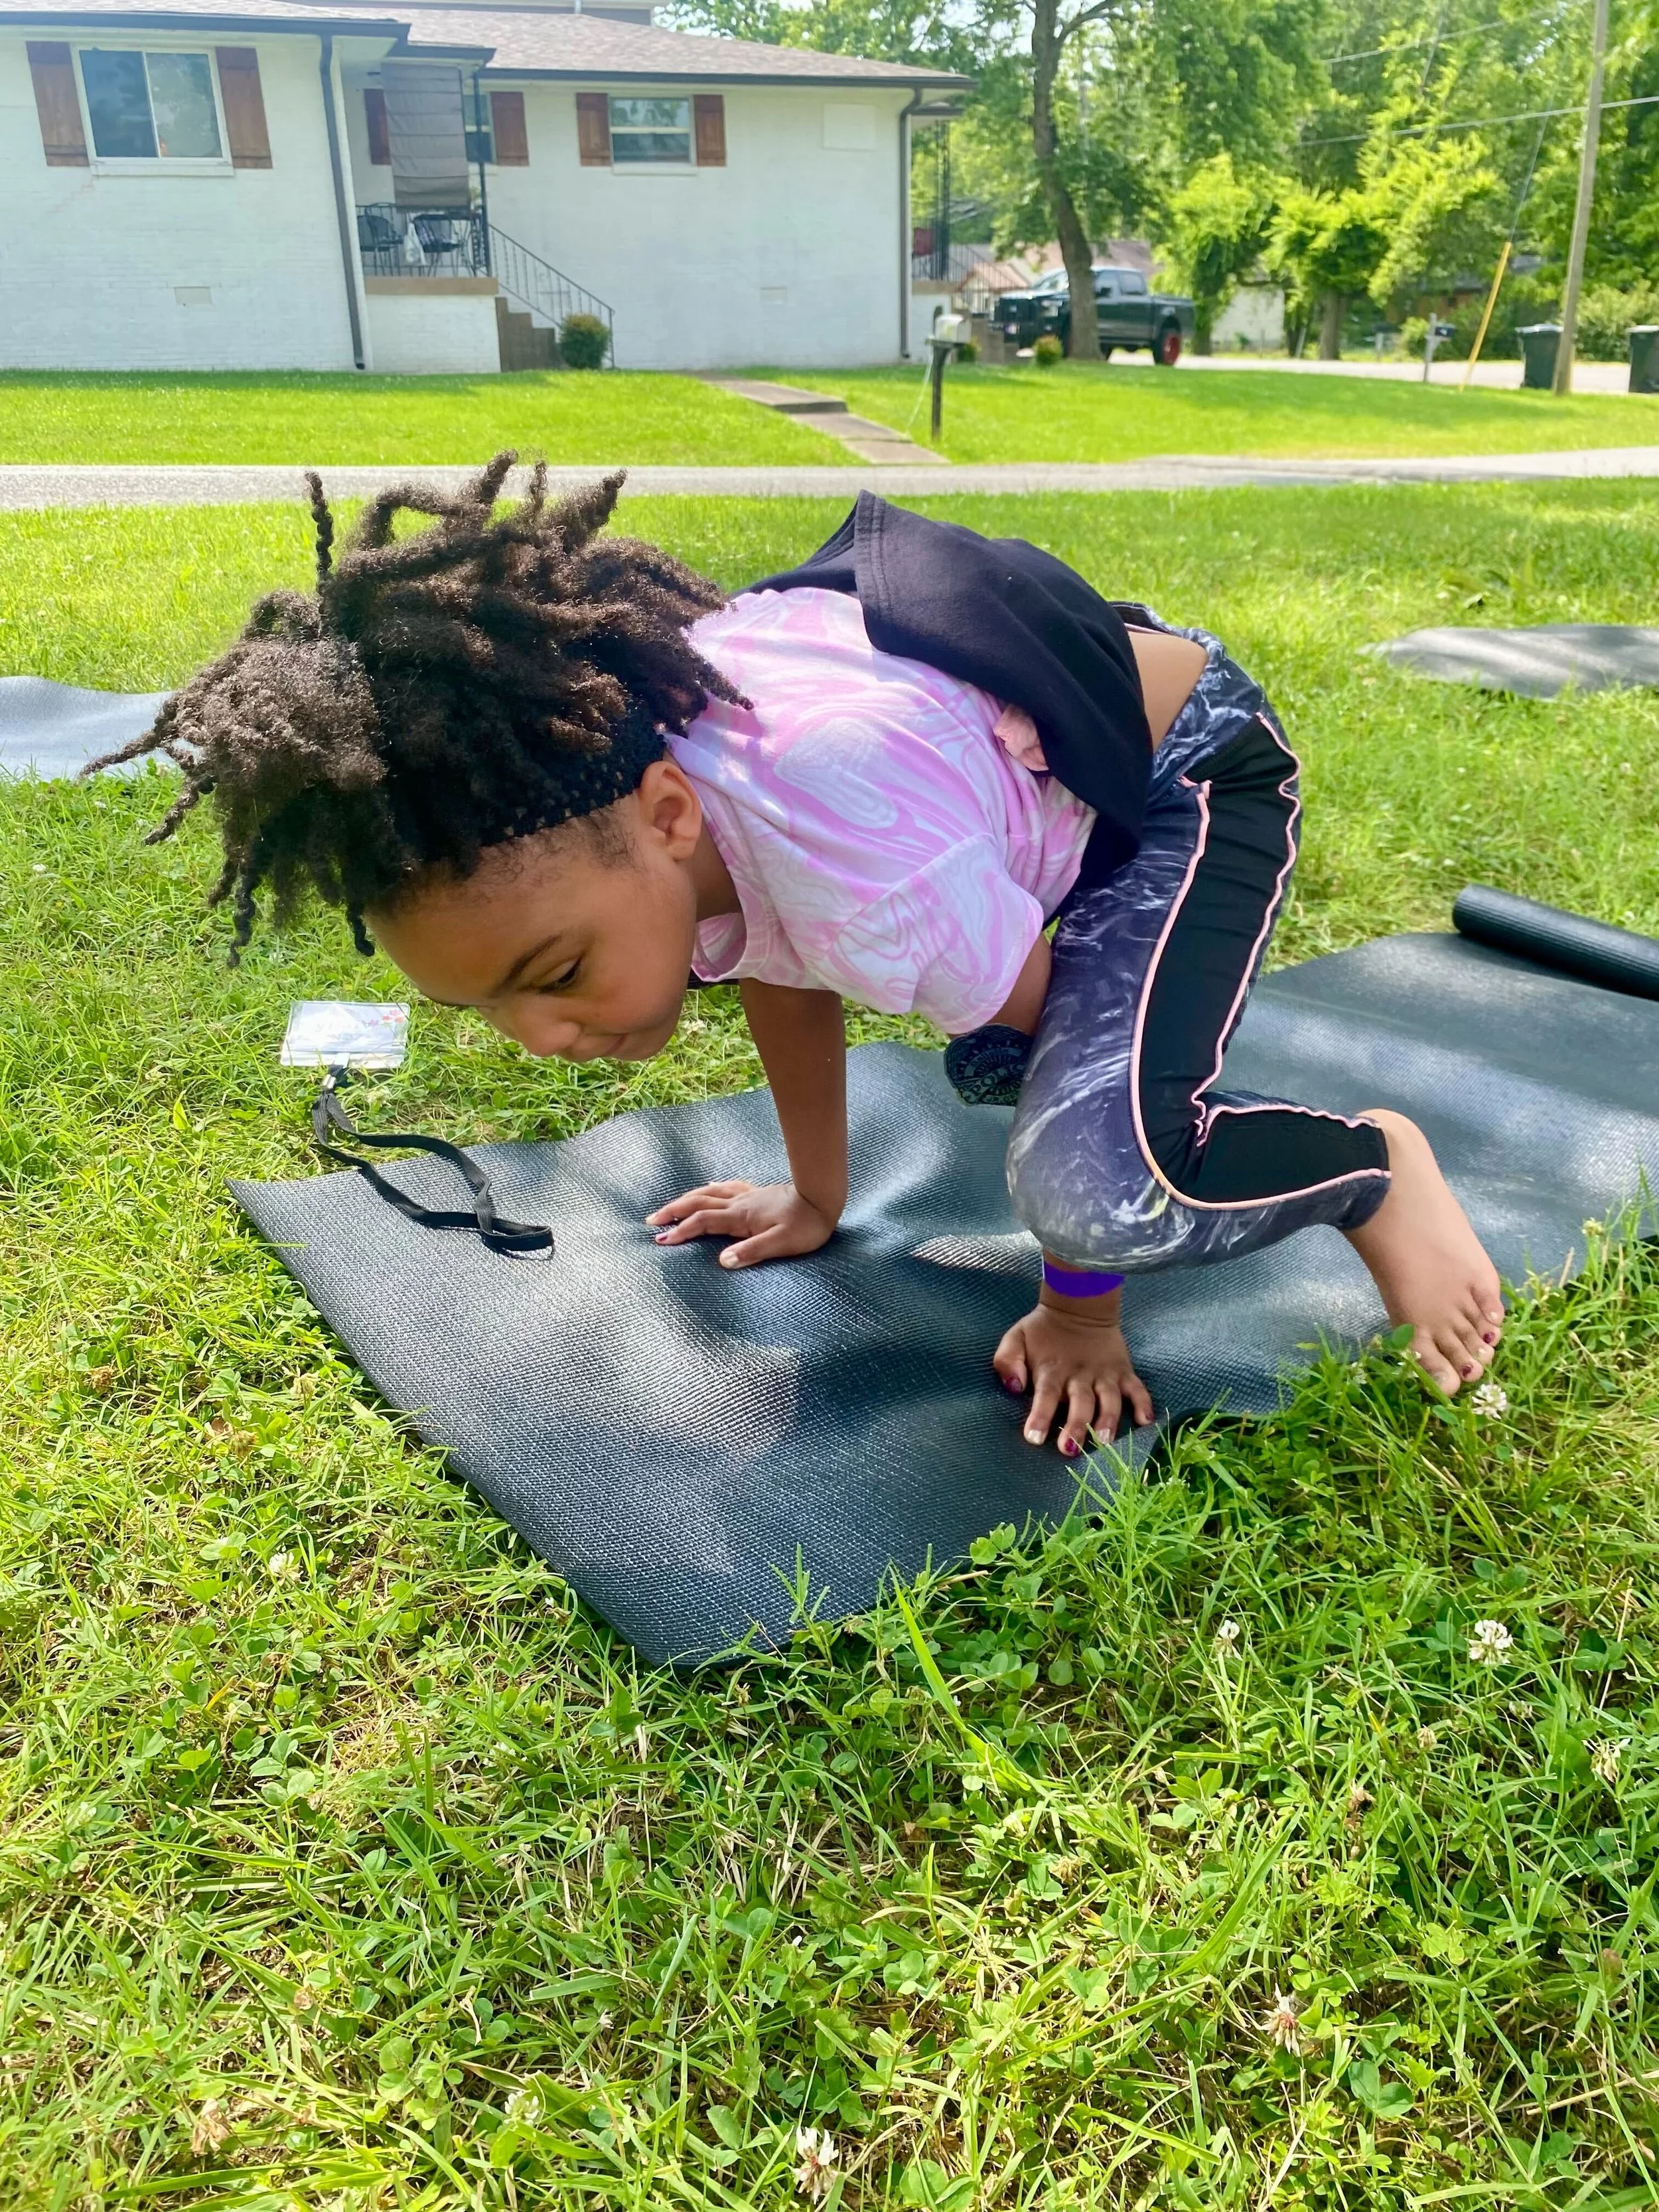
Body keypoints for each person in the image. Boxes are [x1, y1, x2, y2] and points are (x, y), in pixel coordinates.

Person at [95, 455, 1503, 1456]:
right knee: (974, 1025)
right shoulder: (673, 810)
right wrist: (816, 1195)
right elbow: (772, 947)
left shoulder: (861, 868)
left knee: (1088, 1153)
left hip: (1183, 775)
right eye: (490, 1009)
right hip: (974, 775)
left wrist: (1078, 1311)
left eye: (554, 970)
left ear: (662, 817)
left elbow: (1053, 1041)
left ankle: (1371, 1169)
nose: (544, 1037)